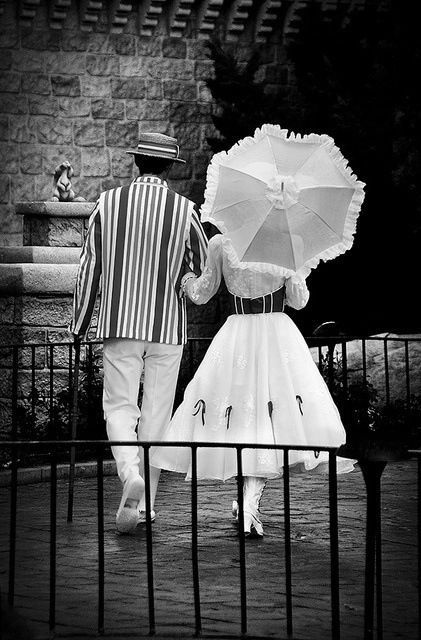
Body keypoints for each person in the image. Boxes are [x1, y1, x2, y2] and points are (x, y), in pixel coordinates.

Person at [150, 233, 354, 537]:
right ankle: (248, 505)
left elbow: (202, 292)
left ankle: (246, 502)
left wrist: (186, 281)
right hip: (277, 334)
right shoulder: (287, 241)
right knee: (265, 422)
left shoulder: (220, 243)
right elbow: (299, 301)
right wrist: (296, 270)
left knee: (241, 420)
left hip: (238, 334)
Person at [70, 132, 208, 534]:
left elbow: (88, 270)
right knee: (157, 413)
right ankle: (144, 504)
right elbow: (200, 270)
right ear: (168, 168)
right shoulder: (185, 211)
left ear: (137, 163)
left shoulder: (107, 204)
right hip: (167, 326)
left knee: (118, 406)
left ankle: (130, 471)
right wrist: (182, 277)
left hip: (120, 321)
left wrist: (78, 324)